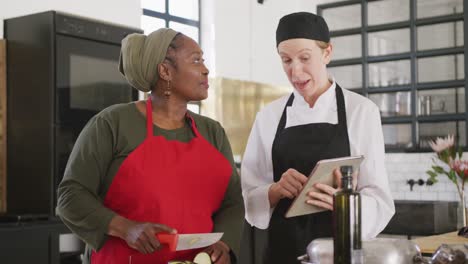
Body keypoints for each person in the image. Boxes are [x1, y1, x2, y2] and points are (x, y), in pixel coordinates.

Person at [56, 28, 244, 264]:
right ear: (165, 70)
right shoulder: (112, 124)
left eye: (203, 60)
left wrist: (224, 246)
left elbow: (232, 202)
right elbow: (70, 197)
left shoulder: (213, 132)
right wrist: (126, 228)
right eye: (196, 60)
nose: (205, 69)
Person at [240, 12, 395, 264]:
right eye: (286, 60)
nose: (295, 71)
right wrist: (275, 190)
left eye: (304, 58)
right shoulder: (268, 117)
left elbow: (379, 198)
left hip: (339, 253)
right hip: (281, 253)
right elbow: (247, 196)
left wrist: (345, 202)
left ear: (327, 53)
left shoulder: (361, 111)